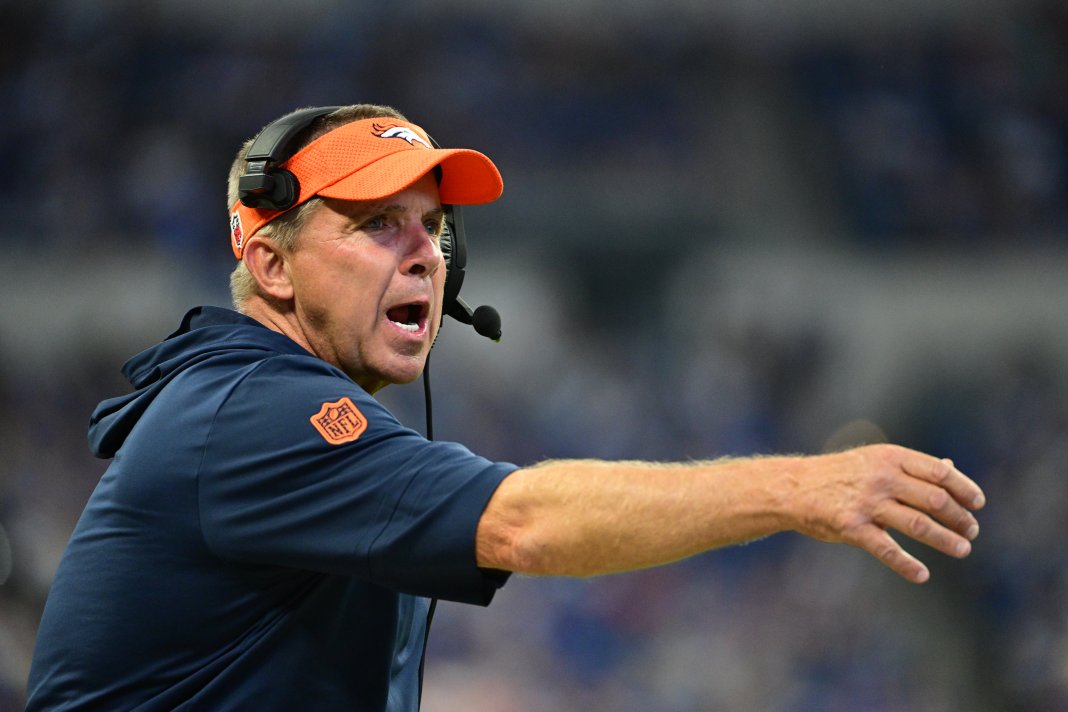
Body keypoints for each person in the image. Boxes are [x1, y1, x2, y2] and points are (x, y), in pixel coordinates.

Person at [26, 104, 986, 711]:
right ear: (269, 264)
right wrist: (800, 487)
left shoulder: (250, 404)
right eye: (374, 225)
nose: (423, 255)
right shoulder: (251, 410)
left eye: (434, 229)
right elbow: (525, 523)